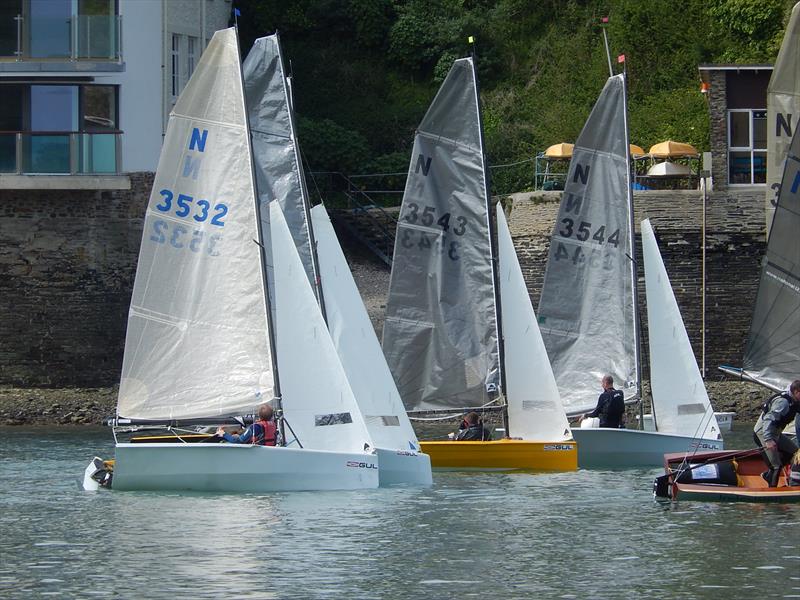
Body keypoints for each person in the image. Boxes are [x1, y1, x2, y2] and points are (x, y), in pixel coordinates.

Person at [753, 380, 800, 487]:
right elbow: (769, 420)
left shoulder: (795, 401)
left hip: (776, 434)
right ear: (797, 392)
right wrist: (768, 440)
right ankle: (772, 491)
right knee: (776, 466)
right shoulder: (783, 403)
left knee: (795, 454)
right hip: (763, 433)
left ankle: (768, 475)